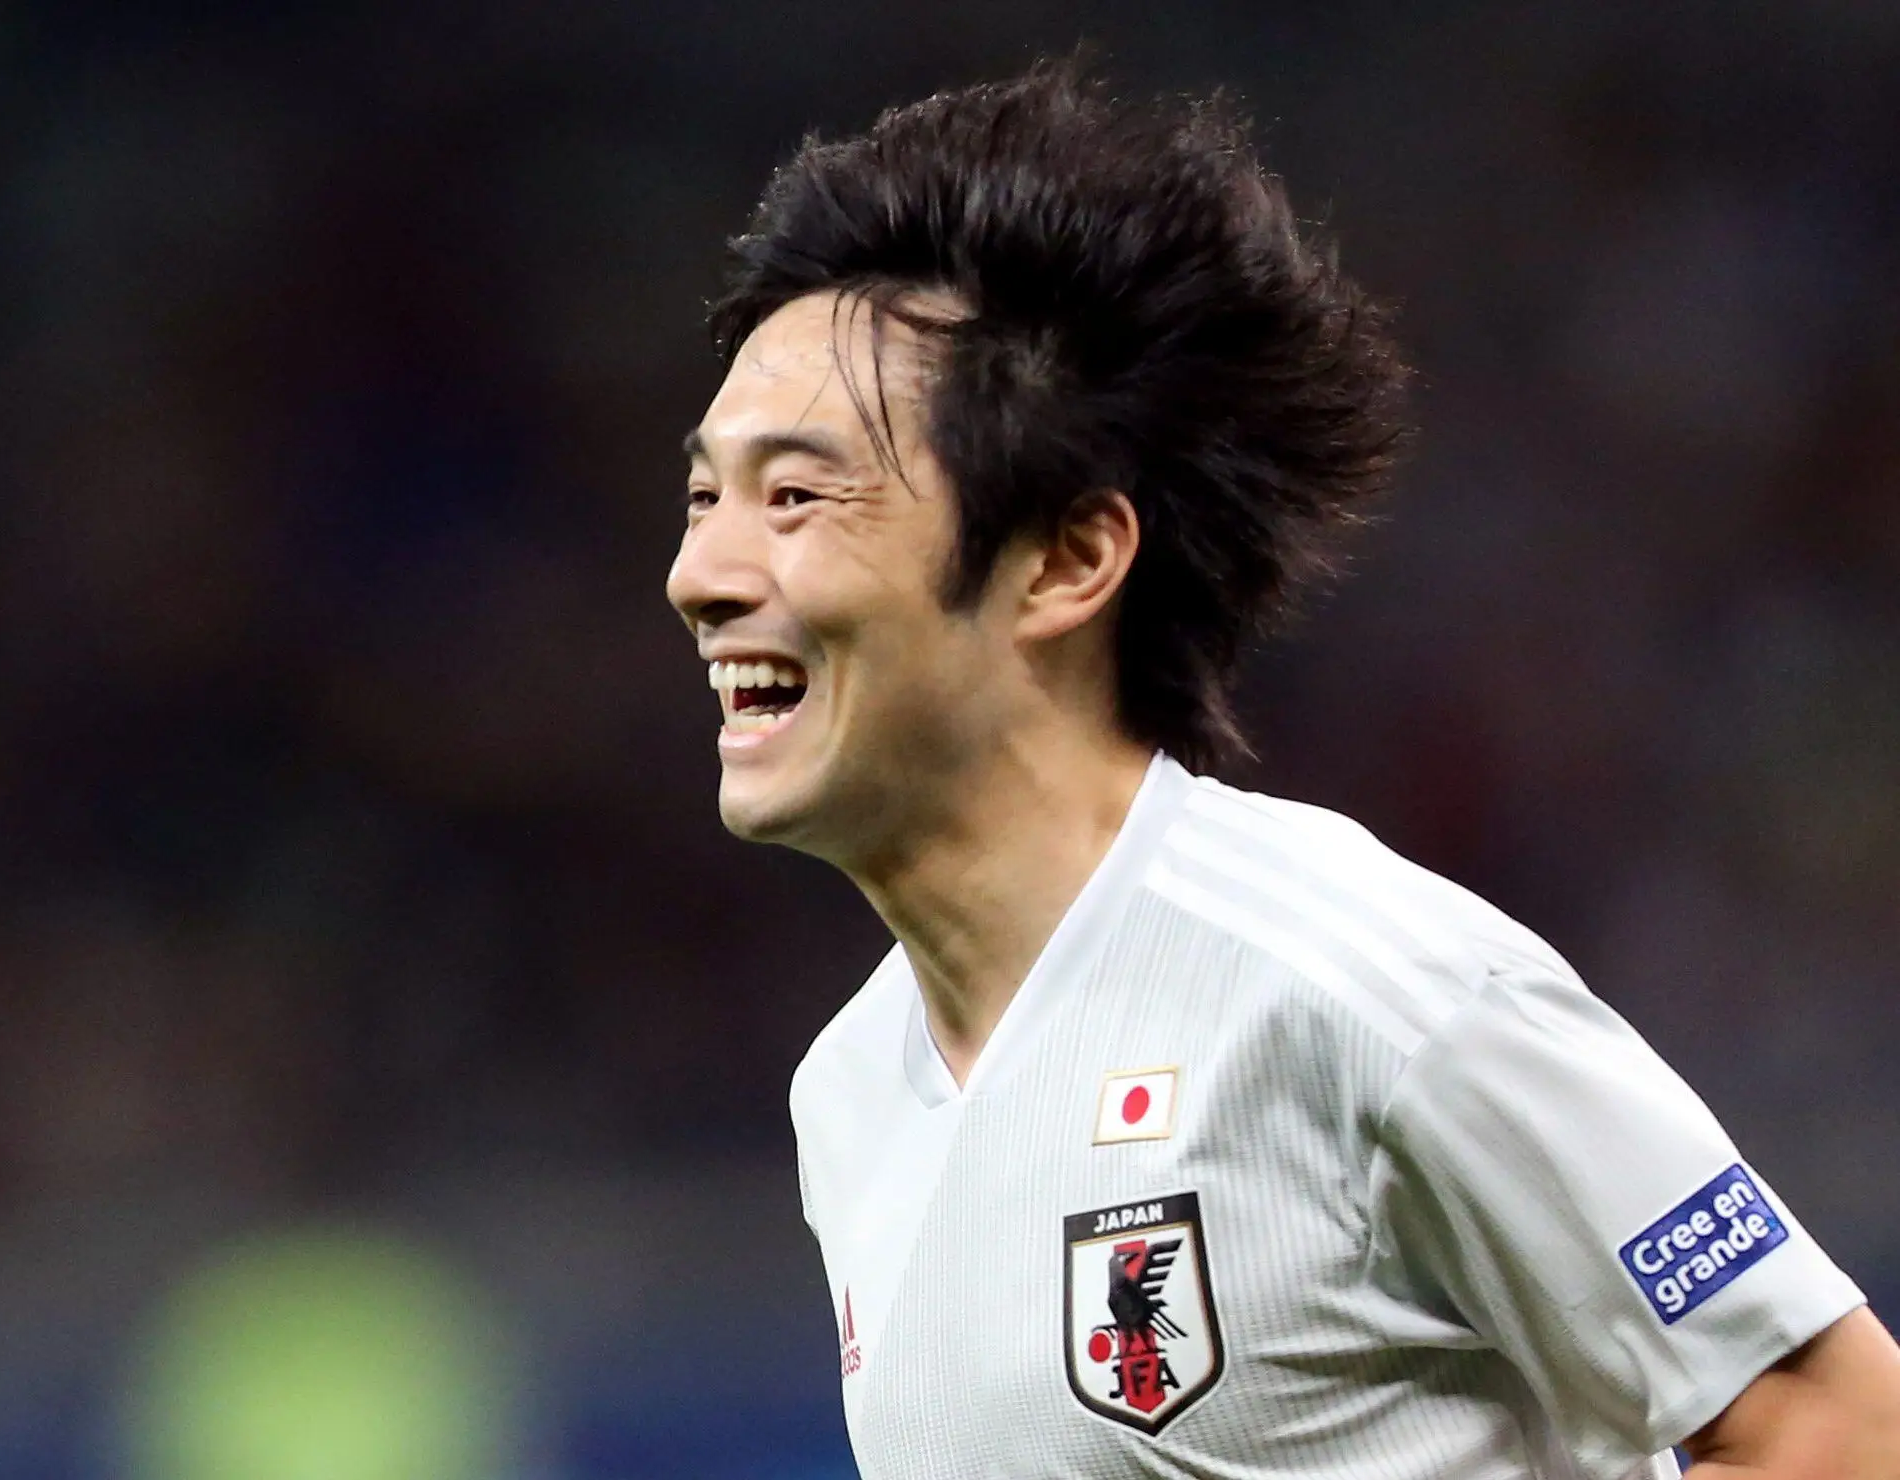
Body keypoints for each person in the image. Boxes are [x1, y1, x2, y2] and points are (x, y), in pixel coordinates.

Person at [663, 60, 1900, 1480]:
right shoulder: (848, 1094)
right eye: (704, 495)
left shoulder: (1361, 991)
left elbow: (1840, 1431)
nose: (702, 574)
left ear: (1065, 561)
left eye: (797, 496)